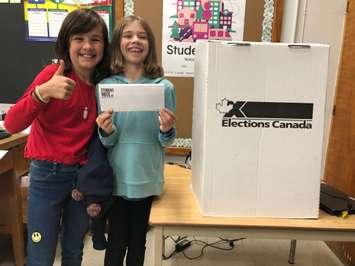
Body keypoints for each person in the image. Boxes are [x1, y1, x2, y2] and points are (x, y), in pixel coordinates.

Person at [4, 8, 110, 266]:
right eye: (79, 38)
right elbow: (12, 123)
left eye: (95, 39)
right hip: (47, 176)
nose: (87, 46)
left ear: (104, 46)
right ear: (67, 42)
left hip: (81, 180)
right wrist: (43, 93)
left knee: (74, 250)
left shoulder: (103, 85)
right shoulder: (52, 77)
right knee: (41, 253)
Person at [96, 15, 176, 266]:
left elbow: (166, 141)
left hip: (147, 178)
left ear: (150, 44)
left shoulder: (164, 87)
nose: (135, 41)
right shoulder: (106, 86)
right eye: (128, 35)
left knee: (138, 242)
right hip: (117, 178)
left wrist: (166, 129)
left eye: (141, 36)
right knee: (116, 241)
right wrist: (107, 131)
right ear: (119, 43)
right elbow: (107, 143)